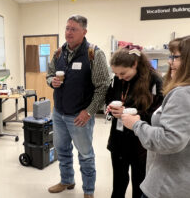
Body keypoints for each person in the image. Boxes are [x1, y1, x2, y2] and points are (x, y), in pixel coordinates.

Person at [46, 15, 110, 198]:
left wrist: (89, 112)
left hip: (79, 116)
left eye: (73, 29)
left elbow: (102, 87)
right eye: (67, 28)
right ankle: (67, 180)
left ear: (84, 32)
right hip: (58, 113)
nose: (68, 33)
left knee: (85, 155)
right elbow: (49, 74)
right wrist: (52, 82)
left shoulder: (94, 54)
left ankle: (88, 191)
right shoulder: (59, 53)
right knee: (62, 150)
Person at [121, 36, 190, 198]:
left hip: (168, 185)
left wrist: (136, 124)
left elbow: (169, 140)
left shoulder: (182, 94)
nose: (170, 62)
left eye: (175, 57)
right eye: (170, 56)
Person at [105, 46, 163, 198]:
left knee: (140, 183)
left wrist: (134, 113)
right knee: (118, 181)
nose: (119, 77)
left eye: (122, 73)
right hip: (118, 139)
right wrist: (111, 107)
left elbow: (158, 115)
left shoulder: (154, 80)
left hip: (140, 142)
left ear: (135, 65)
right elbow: (110, 96)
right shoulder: (118, 79)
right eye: (116, 74)